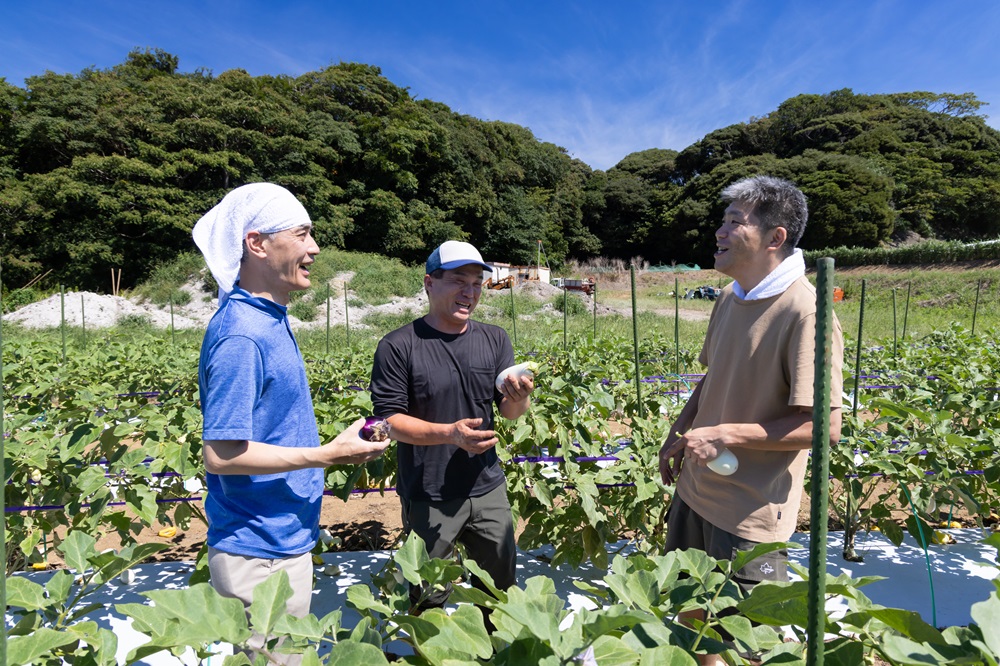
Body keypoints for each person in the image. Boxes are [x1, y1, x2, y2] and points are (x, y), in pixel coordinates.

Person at [194, 182, 389, 665]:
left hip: (280, 541)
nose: (314, 248)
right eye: (302, 235)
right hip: (257, 552)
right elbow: (221, 454)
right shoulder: (243, 334)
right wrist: (327, 454)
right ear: (256, 244)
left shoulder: (270, 317)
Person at [658, 175, 844, 665]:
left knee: (747, 642)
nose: (719, 232)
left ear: (775, 238)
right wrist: (676, 435)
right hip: (696, 493)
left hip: (753, 519)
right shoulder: (729, 298)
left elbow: (821, 427)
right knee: (691, 617)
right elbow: (711, 379)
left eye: (734, 222)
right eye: (723, 220)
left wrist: (724, 433)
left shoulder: (806, 310)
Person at [369, 240, 534, 618]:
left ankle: (495, 656)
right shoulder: (398, 346)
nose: (470, 292)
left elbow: (510, 412)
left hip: (487, 485)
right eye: (459, 281)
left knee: (498, 592)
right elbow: (389, 421)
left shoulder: (495, 338)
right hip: (429, 492)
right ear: (429, 283)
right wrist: (450, 434)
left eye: (477, 284)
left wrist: (521, 395)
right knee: (428, 596)